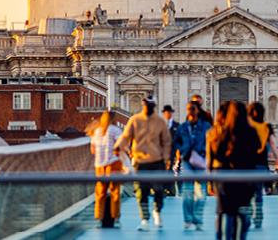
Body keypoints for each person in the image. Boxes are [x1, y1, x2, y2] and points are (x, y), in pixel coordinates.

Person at [114, 99, 175, 231]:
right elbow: (126, 136)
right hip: (140, 161)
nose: (147, 107)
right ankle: (144, 219)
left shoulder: (160, 122)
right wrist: (118, 146)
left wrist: (166, 159)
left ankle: (157, 211)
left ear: (153, 106)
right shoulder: (135, 120)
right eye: (146, 105)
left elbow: (166, 142)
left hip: (157, 161)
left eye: (150, 105)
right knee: (142, 192)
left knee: (159, 190)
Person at [207, 100, 263, 240]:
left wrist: (211, 179)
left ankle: (221, 236)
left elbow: (216, 155)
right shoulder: (251, 132)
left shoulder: (222, 133)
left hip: (225, 180)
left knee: (223, 212)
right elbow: (256, 154)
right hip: (245, 179)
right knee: (242, 213)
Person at [172, 99, 214, 231]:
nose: (190, 111)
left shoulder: (206, 127)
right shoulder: (183, 127)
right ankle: (188, 219)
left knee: (202, 193)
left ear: (197, 110)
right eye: (188, 108)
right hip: (187, 161)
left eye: (193, 108)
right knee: (187, 192)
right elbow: (175, 142)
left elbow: (213, 142)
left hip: (201, 160)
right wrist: (183, 150)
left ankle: (198, 217)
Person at [88, 110, 125, 229]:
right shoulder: (115, 130)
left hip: (99, 165)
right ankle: (115, 217)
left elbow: (92, 150)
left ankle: (99, 218)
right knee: (115, 192)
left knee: (100, 193)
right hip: (113, 163)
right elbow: (120, 145)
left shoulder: (96, 131)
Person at [246, 101, 271, 230]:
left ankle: (250, 216)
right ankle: (258, 218)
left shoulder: (245, 127)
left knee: (249, 194)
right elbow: (272, 145)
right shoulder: (266, 127)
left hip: (248, 165)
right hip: (261, 165)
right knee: (258, 194)